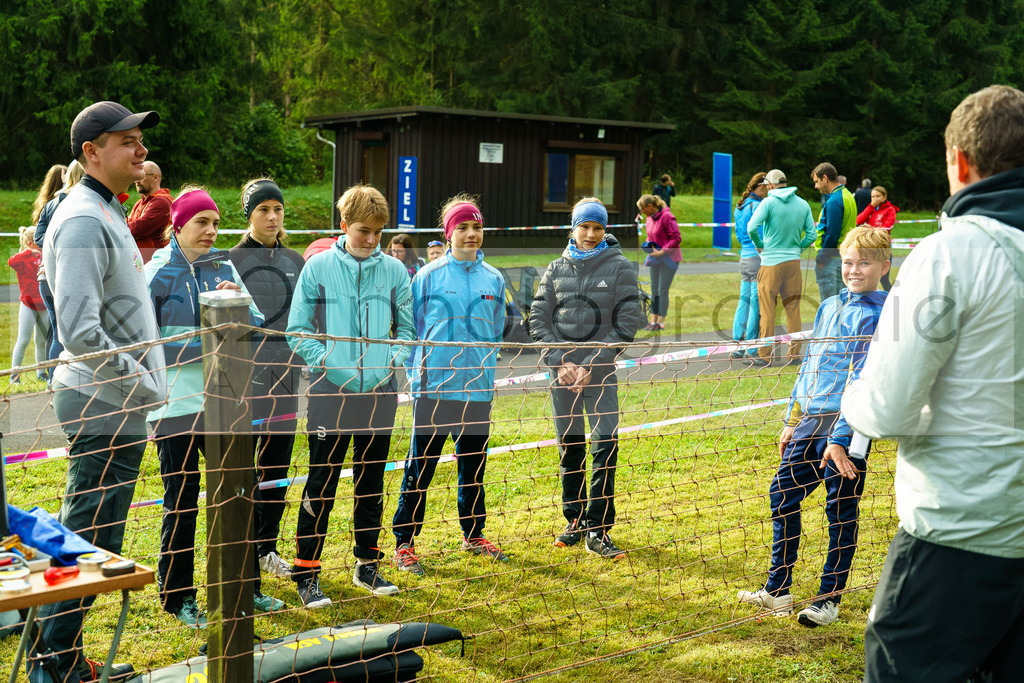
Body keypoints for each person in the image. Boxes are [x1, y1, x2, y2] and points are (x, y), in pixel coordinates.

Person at [843, 84, 1024, 682]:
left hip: (961, 534)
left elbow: (886, 411)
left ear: (960, 162)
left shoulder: (950, 254)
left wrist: (851, 390)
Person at [30, 100, 167, 682]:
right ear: (91, 152)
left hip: (115, 402)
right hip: (102, 400)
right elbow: (81, 331)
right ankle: (53, 665)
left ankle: (62, 655)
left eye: (139, 140)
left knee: (96, 542)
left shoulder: (101, 208)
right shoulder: (84, 216)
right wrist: (141, 384)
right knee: (87, 542)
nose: (140, 150)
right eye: (126, 141)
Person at [738, 226, 889, 627]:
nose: (854, 270)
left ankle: (828, 599)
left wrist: (840, 440)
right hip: (813, 418)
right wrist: (795, 416)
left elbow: (865, 379)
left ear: (884, 266)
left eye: (865, 263)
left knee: (841, 508)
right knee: (782, 491)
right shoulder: (829, 305)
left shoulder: (880, 315)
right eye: (848, 262)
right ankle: (777, 589)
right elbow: (811, 364)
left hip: (850, 424)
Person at [287, 184, 414, 606]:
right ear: (344, 226)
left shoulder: (396, 270)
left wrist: (390, 360)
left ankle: (367, 564)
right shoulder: (318, 267)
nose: (373, 239)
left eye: (379, 231)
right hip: (330, 392)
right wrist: (327, 361)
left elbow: (408, 329)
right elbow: (297, 329)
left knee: (371, 481)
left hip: (379, 392)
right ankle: (306, 572)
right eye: (364, 231)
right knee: (321, 483)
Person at [145, 188, 266, 627]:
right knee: (183, 499)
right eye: (203, 223)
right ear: (178, 226)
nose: (212, 231)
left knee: (237, 491)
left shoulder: (226, 266)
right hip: (174, 405)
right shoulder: (155, 274)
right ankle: (177, 596)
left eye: (216, 223)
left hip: (225, 402)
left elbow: (252, 328)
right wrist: (210, 343)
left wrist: (240, 307)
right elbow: (149, 347)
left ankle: (245, 586)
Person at [391, 196, 508, 577]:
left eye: (476, 227)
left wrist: (485, 371)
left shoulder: (494, 278)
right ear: (449, 233)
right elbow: (412, 329)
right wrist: (415, 374)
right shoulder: (427, 276)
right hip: (434, 389)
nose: (471, 234)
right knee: (419, 468)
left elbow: (497, 329)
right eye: (462, 228)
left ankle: (474, 535)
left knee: (473, 467)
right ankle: (404, 543)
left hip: (477, 390)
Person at [529, 197, 642, 559]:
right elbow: (537, 319)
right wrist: (560, 361)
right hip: (561, 375)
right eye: (585, 226)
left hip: (600, 374)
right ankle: (574, 519)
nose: (590, 234)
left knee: (605, 447)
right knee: (571, 448)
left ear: (605, 230)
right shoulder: (555, 268)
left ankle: (599, 528)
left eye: (597, 228)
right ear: (573, 228)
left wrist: (592, 363)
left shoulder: (621, 268)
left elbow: (626, 325)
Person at [228, 178, 305, 585]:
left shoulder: (295, 260)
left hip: (286, 379)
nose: (272, 217)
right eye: (263, 210)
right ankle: (239, 548)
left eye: (277, 208)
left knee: (275, 468)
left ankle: (265, 547)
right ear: (249, 215)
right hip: (243, 384)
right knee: (240, 471)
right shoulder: (230, 261)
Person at [747, 169, 817, 367]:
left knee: (767, 310)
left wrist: (759, 245)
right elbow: (811, 235)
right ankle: (794, 355)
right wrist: (797, 249)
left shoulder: (768, 203)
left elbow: (752, 227)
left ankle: (764, 355)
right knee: (793, 308)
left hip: (770, 263)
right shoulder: (803, 204)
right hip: (793, 263)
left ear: (769, 185)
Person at [33, 161, 81, 380]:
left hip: (46, 276)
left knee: (57, 333)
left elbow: (38, 236)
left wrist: (52, 250)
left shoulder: (51, 203)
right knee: (67, 334)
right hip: (65, 275)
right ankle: (62, 383)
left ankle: (54, 383)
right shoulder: (79, 202)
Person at [730, 172, 768, 360]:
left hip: (743, 256)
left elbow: (739, 234)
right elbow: (761, 234)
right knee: (756, 303)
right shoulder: (758, 205)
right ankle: (752, 348)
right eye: (767, 189)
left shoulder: (740, 206)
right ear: (761, 187)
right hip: (756, 256)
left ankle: (737, 342)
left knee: (743, 301)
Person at [7, 227, 50, 383]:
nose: (41, 246)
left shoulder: (44, 256)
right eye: (38, 243)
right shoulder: (22, 258)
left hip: (43, 304)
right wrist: (28, 251)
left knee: (42, 340)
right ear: (31, 243)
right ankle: (14, 374)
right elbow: (11, 261)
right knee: (23, 339)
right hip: (28, 304)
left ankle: (42, 372)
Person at [811, 162, 857, 303]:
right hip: (844, 257)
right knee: (843, 305)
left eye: (817, 182)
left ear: (825, 178)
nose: (816, 186)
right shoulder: (848, 195)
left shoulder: (834, 201)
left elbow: (832, 234)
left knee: (830, 307)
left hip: (832, 260)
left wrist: (821, 259)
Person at [637, 194, 681, 331]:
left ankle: (660, 324)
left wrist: (662, 251)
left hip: (669, 259)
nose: (642, 212)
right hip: (655, 258)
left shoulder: (667, 217)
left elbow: (676, 238)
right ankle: (653, 322)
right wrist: (648, 243)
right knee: (654, 289)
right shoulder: (650, 219)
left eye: (643, 209)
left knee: (662, 290)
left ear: (650, 206)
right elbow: (651, 235)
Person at [856, 186, 899, 291]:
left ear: (884, 197)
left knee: (884, 280)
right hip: (869, 249)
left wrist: (870, 230)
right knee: (867, 278)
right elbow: (858, 221)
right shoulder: (871, 209)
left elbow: (888, 227)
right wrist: (870, 207)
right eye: (872, 197)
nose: (874, 199)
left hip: (884, 249)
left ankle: (892, 300)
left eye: (877, 196)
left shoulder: (890, 210)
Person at [127, 160, 171, 262]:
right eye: (136, 177)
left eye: (141, 176)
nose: (137, 181)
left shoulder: (162, 202)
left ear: (155, 177)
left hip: (157, 264)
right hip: (141, 263)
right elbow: (126, 227)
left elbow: (135, 230)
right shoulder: (139, 203)